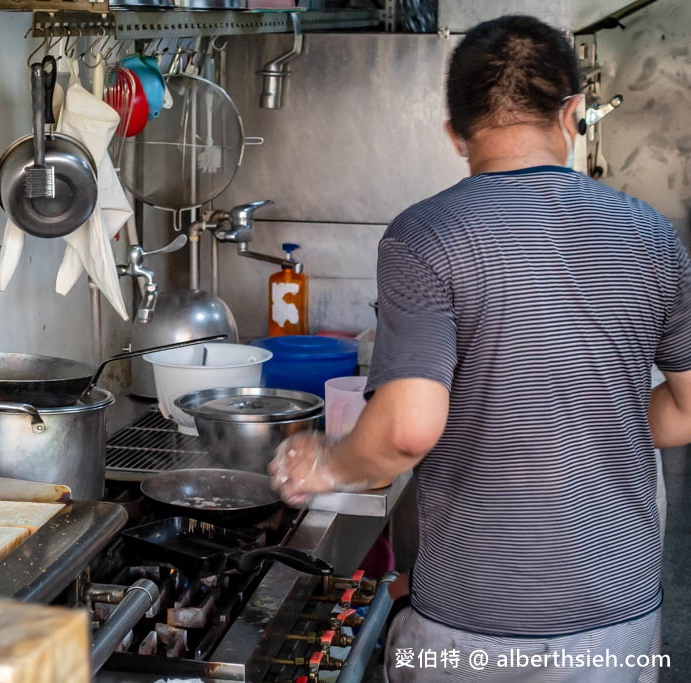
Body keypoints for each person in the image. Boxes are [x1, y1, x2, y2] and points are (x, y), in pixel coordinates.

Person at [268, 14, 691, 683]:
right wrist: (584, 422)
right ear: (573, 113)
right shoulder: (653, 235)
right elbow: (687, 410)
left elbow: (407, 430)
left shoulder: (425, 235)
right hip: (620, 621)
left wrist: (325, 464)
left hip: (474, 628)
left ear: (455, 134)